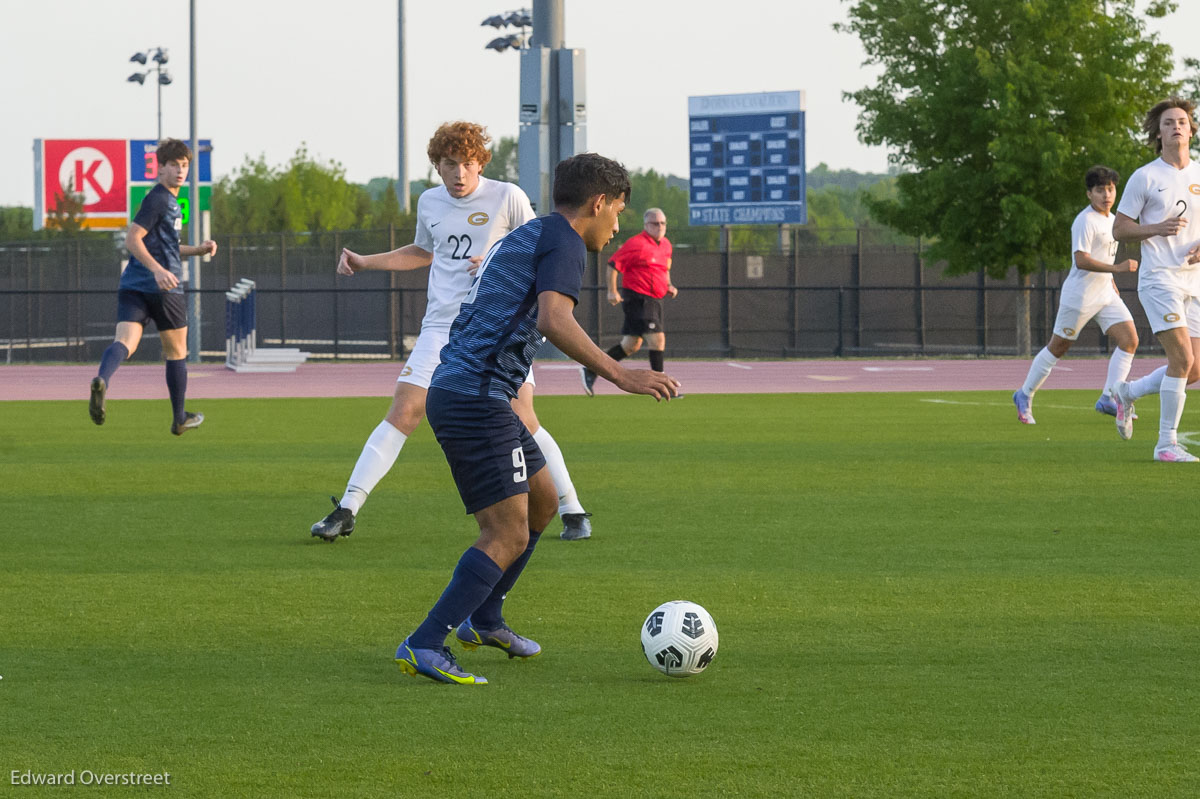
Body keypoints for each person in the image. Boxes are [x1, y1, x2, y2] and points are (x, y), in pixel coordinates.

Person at [395, 152, 679, 685]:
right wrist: (621, 374)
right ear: (598, 203)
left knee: (545, 502)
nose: (617, 227)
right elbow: (554, 318)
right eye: (617, 211)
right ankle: (426, 642)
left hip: (475, 392)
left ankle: (485, 618)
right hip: (475, 396)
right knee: (505, 533)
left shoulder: (532, 233)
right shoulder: (565, 242)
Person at [311, 122, 594, 542]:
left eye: (468, 163)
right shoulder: (429, 202)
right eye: (449, 164)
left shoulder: (508, 197)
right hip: (442, 326)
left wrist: (499, 260)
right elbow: (423, 252)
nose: (459, 173)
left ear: (481, 163)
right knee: (404, 411)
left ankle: (572, 508)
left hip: (496, 324)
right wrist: (366, 261)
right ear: (436, 166)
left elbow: (542, 247)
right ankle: (347, 508)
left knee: (522, 415)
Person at [88, 138, 216, 435]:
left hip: (134, 285)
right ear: (160, 168)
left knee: (125, 343)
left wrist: (198, 249)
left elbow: (167, 247)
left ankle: (102, 380)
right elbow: (133, 239)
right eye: (174, 165)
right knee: (176, 352)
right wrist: (158, 270)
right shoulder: (159, 198)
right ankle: (179, 417)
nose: (180, 171)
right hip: (163, 287)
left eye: (184, 165)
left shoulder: (169, 202)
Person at [1012, 166, 1140, 424]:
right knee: (1059, 347)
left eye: (1111, 189)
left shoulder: (1113, 220)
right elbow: (1082, 260)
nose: (1107, 194)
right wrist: (1117, 268)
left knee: (1129, 340)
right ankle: (1024, 394)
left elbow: (1103, 255)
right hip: (1080, 296)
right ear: (1089, 194)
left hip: (1105, 293)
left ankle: (1108, 397)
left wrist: (1111, 279)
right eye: (1100, 190)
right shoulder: (1085, 220)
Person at [1109, 97, 1200, 462]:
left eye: (1182, 121)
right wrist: (1155, 229)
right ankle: (1166, 444)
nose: (1176, 126)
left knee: (1193, 368)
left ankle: (1127, 392)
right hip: (1159, 278)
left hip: (1194, 281)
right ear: (1158, 132)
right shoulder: (1145, 176)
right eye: (1168, 122)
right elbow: (1119, 229)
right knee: (1181, 356)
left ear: (1191, 129)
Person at [581, 207, 676, 395]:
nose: (660, 227)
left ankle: (590, 369)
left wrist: (669, 285)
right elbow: (613, 265)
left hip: (655, 299)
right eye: (655, 223)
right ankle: (661, 386)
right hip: (638, 298)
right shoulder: (636, 244)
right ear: (646, 225)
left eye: (662, 223)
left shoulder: (666, 245)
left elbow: (665, 268)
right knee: (658, 339)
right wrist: (612, 291)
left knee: (630, 345)